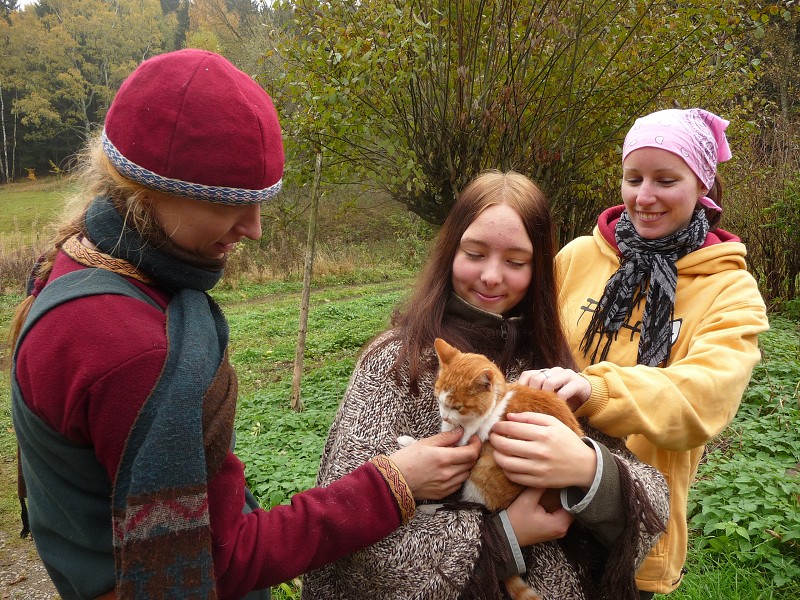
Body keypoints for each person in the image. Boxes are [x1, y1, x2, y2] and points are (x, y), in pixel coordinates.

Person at [9, 49, 482, 600]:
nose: (254, 229)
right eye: (231, 202)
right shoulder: (135, 349)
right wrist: (392, 484)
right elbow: (219, 562)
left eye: (261, 202)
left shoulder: (77, 261)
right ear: (155, 189)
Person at [301, 170, 670, 599]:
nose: (492, 276)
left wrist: (590, 471)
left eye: (516, 261)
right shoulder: (396, 365)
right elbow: (348, 530)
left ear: (539, 269)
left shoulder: (549, 365)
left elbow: (653, 509)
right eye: (474, 253)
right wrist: (502, 538)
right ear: (449, 252)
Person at [519, 108, 769, 598]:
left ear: (702, 186)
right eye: (633, 178)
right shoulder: (576, 258)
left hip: (633, 521)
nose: (644, 196)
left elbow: (700, 399)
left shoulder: (730, 291)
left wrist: (596, 387)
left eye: (665, 179)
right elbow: (522, 343)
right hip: (535, 499)